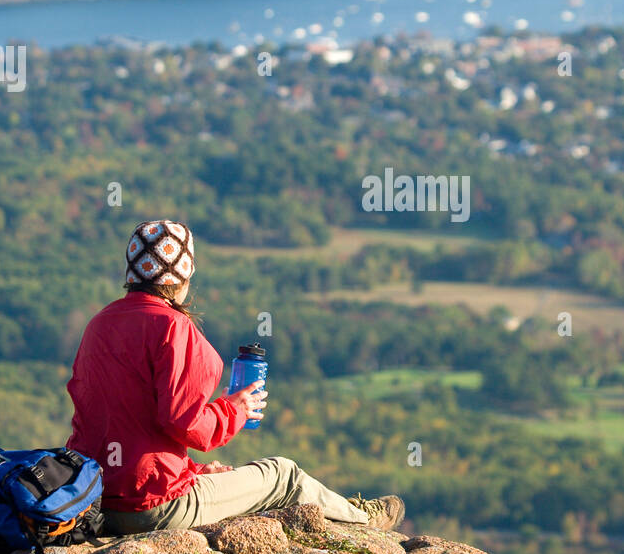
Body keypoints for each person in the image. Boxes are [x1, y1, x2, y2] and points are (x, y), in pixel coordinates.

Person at [66, 219, 405, 536]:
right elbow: (185, 424)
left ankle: (350, 512)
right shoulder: (172, 327)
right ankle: (363, 520)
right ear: (182, 276)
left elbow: (122, 426)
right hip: (155, 507)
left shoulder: (99, 324)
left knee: (223, 472)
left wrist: (192, 472)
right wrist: (236, 409)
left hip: (95, 501)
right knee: (284, 476)